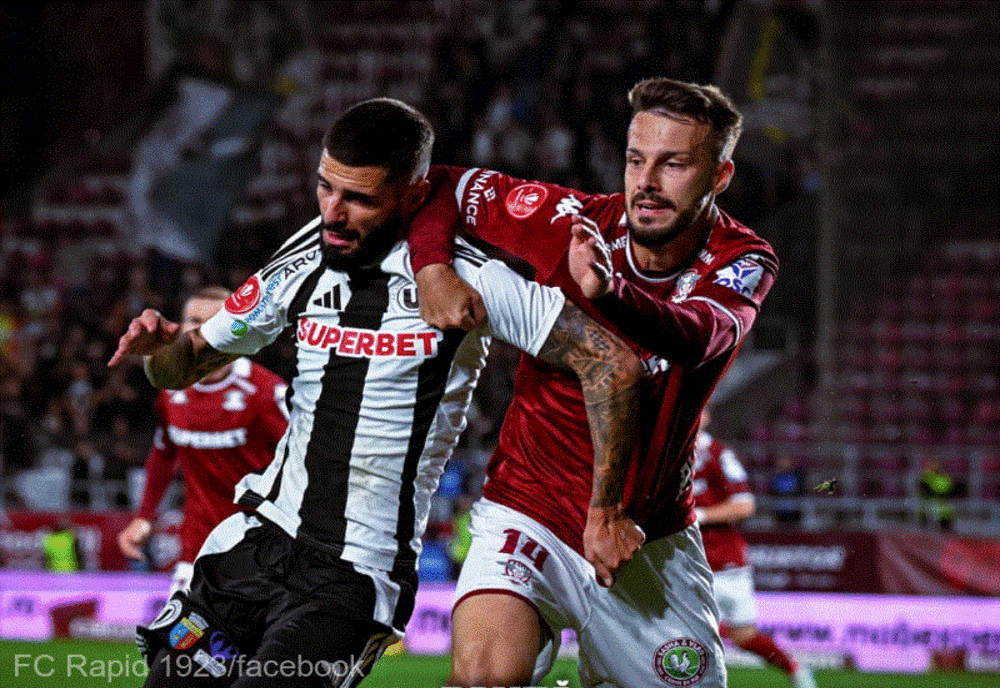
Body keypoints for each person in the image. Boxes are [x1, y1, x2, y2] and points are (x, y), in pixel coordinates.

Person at [107, 97, 643, 688]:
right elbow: (183, 368)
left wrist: (606, 509)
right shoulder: (306, 256)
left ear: (414, 196)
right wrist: (157, 355)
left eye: (358, 198)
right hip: (253, 546)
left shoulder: (470, 278)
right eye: (325, 188)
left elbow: (612, 363)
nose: (333, 214)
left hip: (350, 580)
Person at [409, 77, 779, 687]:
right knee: (484, 679)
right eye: (636, 159)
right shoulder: (571, 222)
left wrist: (611, 294)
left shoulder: (742, 259)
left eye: (674, 164)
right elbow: (440, 185)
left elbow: (696, 337)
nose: (647, 182)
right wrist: (432, 269)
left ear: (719, 177)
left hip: (646, 537)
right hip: (530, 508)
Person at [117, 286, 289, 595]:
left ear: (234, 330)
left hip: (261, 554)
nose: (198, 330)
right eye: (192, 320)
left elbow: (305, 463)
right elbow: (163, 454)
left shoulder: (265, 393)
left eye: (212, 322)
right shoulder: (170, 391)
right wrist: (144, 516)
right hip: (197, 547)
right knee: (175, 642)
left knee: (255, 645)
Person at [693, 409, 817, 688]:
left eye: (698, 409)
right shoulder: (666, 456)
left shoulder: (718, 454)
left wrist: (698, 516)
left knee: (743, 635)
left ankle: (795, 668)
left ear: (708, 417)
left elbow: (745, 505)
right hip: (684, 559)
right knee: (683, 628)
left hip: (723, 560)